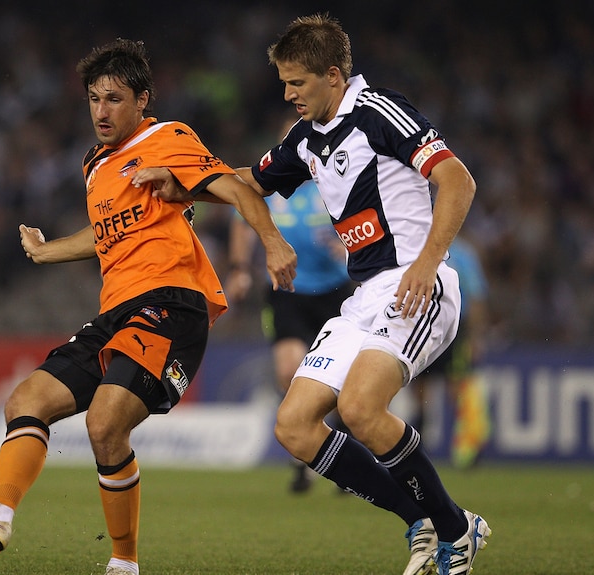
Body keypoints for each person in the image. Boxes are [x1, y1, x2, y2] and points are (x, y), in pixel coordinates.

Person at [133, 14, 491, 575]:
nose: (287, 93)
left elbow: (457, 180)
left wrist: (425, 263)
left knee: (359, 408)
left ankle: (455, 530)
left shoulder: (378, 113)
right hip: (364, 297)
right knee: (294, 426)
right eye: (283, 82)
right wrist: (184, 185)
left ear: (332, 75)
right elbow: (254, 181)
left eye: (297, 82)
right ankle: (424, 521)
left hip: (417, 284)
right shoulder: (306, 139)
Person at [0, 38, 297, 575]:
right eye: (93, 99)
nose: (101, 111)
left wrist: (272, 243)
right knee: (26, 400)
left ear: (142, 100)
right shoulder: (95, 166)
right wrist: (47, 251)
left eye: (113, 99)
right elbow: (102, 234)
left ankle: (123, 563)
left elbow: (239, 189)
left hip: (172, 304)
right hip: (116, 310)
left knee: (106, 423)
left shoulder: (168, 137)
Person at [226, 132, 355, 492]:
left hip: (335, 293)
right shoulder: (269, 189)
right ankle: (304, 460)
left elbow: (362, 223)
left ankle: (341, 452)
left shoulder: (332, 182)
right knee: (289, 371)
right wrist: (239, 268)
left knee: (342, 387)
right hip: (286, 292)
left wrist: (346, 250)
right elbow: (242, 219)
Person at [411, 234, 491, 470]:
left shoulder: (463, 254)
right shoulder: (419, 247)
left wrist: (476, 337)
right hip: (423, 325)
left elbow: (476, 297)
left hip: (456, 329)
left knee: (456, 389)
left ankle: (468, 447)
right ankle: (417, 445)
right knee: (420, 389)